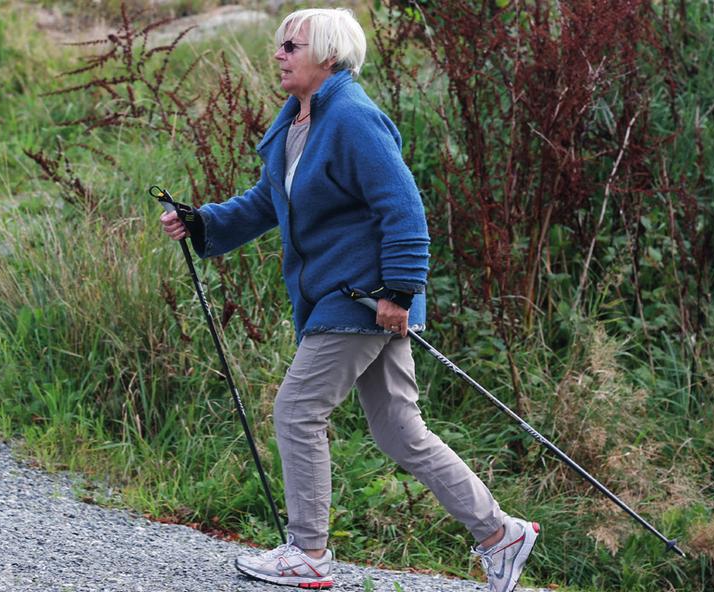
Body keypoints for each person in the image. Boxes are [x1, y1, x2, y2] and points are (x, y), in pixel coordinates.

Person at [159, 7, 538, 592]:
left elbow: (404, 211)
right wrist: (203, 223)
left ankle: (308, 552)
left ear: (329, 54)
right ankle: (500, 535)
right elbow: (267, 203)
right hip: (348, 299)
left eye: (293, 44)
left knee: (297, 409)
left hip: (358, 298)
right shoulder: (297, 123)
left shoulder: (355, 119)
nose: (279, 53)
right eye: (279, 44)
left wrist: (399, 292)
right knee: (399, 431)